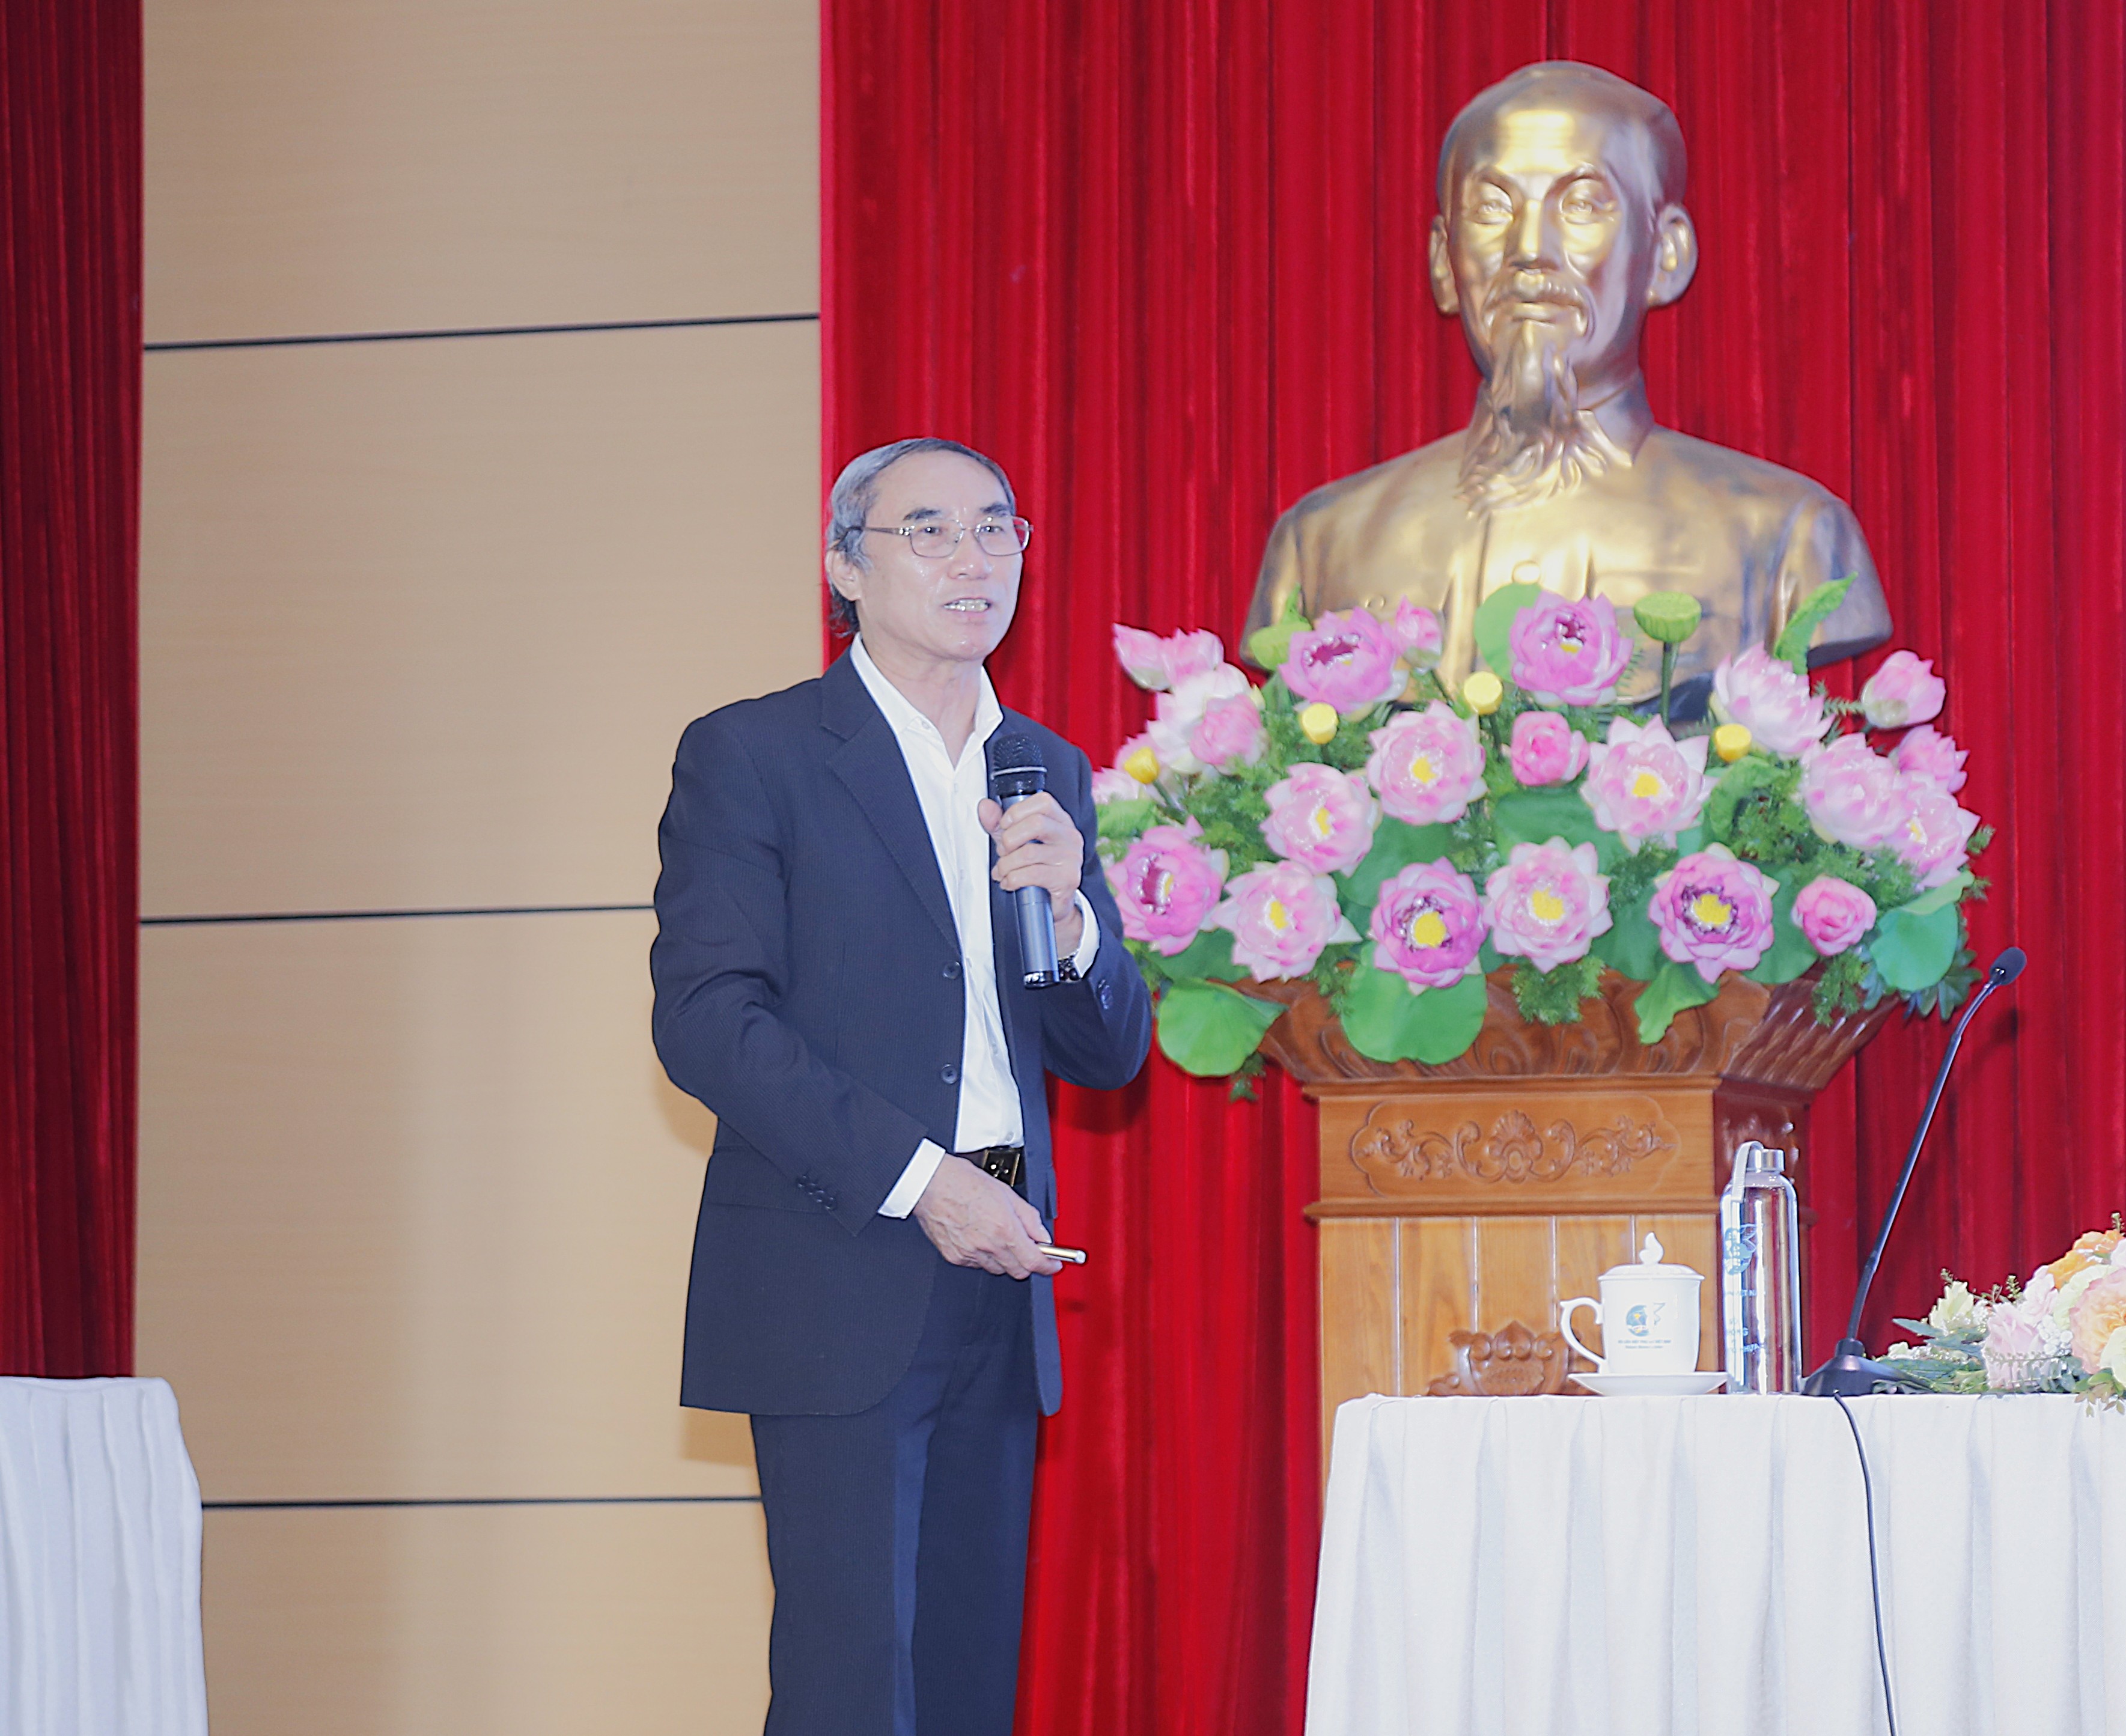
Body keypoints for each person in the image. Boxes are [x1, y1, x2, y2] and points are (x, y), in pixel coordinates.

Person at [650, 437, 1153, 1735]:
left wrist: (1074, 920)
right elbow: (707, 1020)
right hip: (840, 1263)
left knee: (966, 1678)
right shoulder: (755, 752)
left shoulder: (1042, 767)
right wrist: (924, 1179)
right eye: (927, 529)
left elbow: (1108, 1056)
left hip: (1002, 1271)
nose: (972, 557)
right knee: (851, 1685)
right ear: (844, 566)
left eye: (995, 527)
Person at [1244, 60, 1892, 709]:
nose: (1530, 249)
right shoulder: (1321, 544)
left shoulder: (1787, 538)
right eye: (1492, 207)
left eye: (1581, 204)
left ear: (1665, 256)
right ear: (1444, 264)